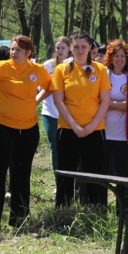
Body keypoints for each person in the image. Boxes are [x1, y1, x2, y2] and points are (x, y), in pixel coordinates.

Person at [0, 35, 51, 233]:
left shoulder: (37, 70)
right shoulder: (1, 67)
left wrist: (36, 101)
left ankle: (19, 220)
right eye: (13, 49)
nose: (14, 53)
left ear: (29, 53)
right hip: (2, 128)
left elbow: (50, 87)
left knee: (22, 175)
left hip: (28, 130)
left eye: (19, 50)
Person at [52, 31, 111, 209]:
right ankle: (63, 211)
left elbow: (105, 100)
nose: (79, 50)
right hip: (68, 129)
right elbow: (58, 100)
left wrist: (92, 125)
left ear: (90, 48)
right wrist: (75, 126)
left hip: (95, 129)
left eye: (83, 47)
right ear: (70, 48)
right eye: (76, 46)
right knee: (66, 174)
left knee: (95, 174)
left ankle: (95, 211)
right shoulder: (61, 69)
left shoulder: (99, 70)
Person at [102, 39, 128, 206]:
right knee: (101, 171)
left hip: (123, 133)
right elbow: (95, 100)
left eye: (122, 56)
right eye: (116, 55)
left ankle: (122, 208)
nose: (119, 59)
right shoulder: (103, 74)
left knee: (122, 172)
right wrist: (116, 105)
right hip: (102, 130)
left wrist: (107, 103)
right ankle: (100, 205)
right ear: (110, 57)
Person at [41, 37, 71, 189]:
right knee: (54, 147)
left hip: (68, 112)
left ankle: (70, 181)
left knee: (67, 147)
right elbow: (43, 87)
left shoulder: (73, 65)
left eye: (63, 48)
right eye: (57, 48)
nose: (59, 51)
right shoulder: (47, 65)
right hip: (50, 111)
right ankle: (58, 182)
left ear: (69, 49)